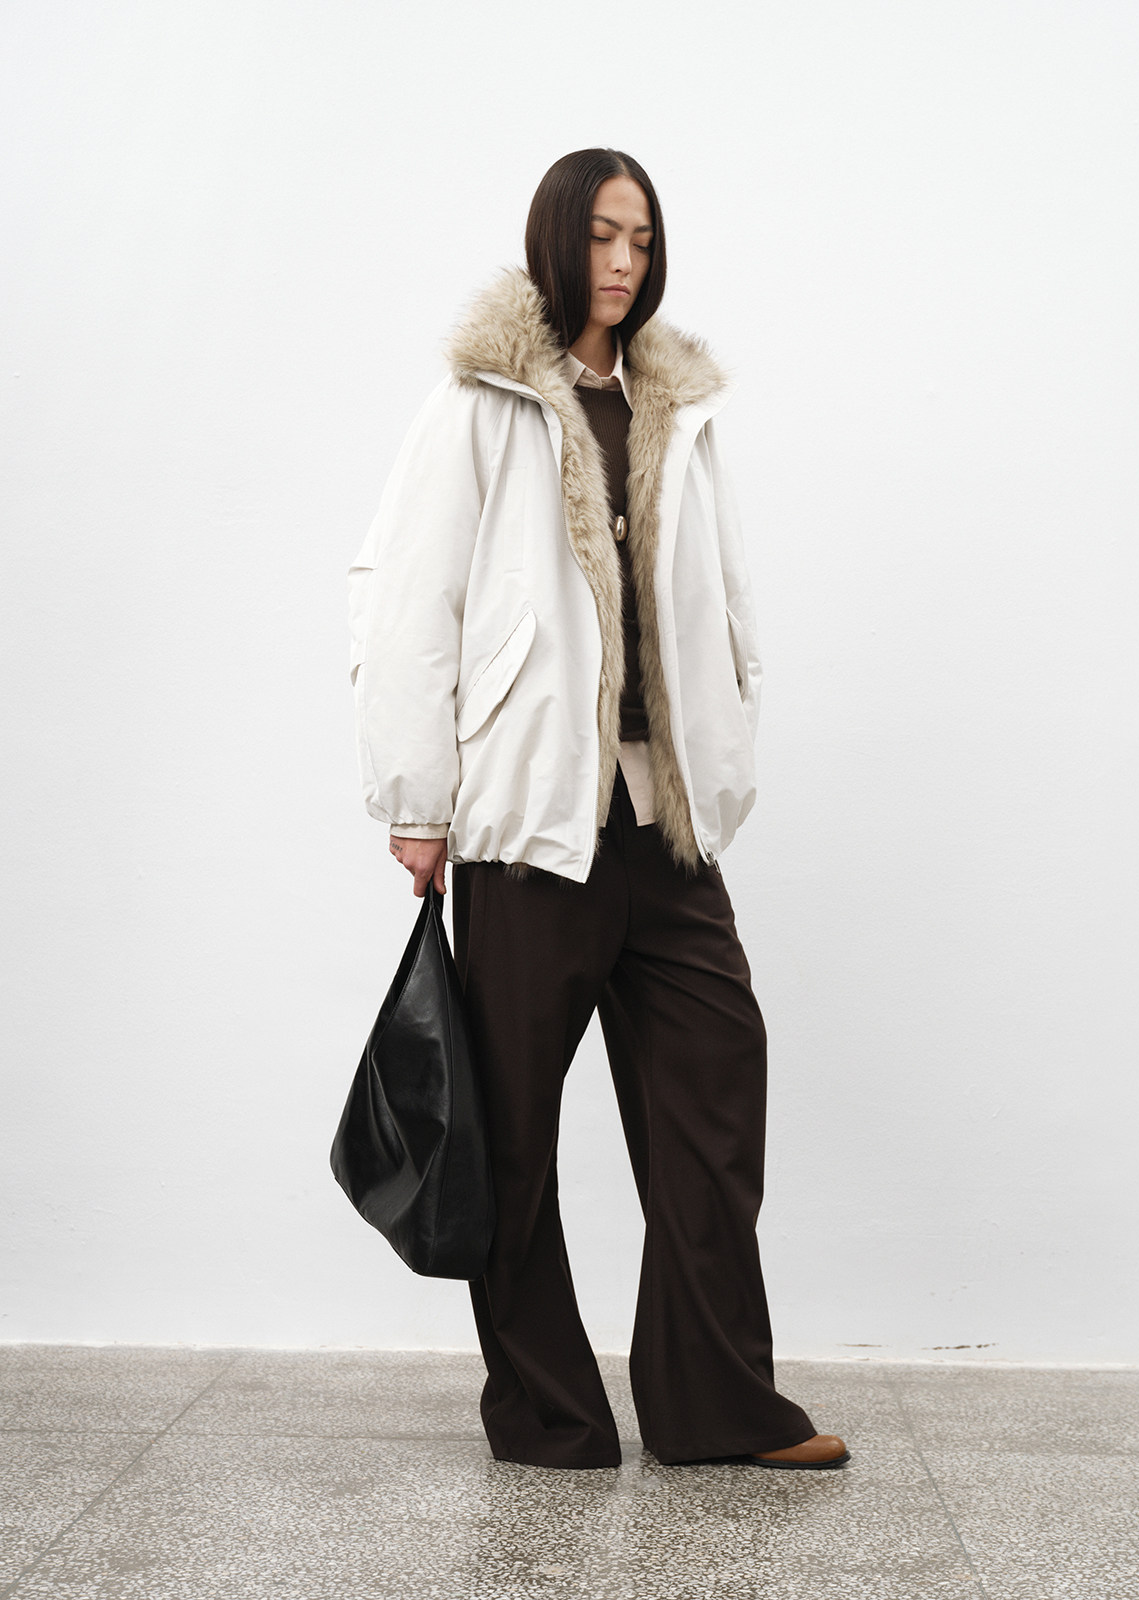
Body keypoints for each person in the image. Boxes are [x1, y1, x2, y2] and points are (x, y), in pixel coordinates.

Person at [347, 147, 850, 1472]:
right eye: (603, 237)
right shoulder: (483, 402)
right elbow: (407, 602)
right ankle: (547, 1414)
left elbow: (720, 596)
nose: (624, 263)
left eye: (642, 240)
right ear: (557, 239)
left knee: (712, 1098)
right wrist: (417, 800)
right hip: (529, 827)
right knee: (512, 1139)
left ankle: (715, 1407)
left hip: (657, 820)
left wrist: (726, 739)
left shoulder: (677, 408)